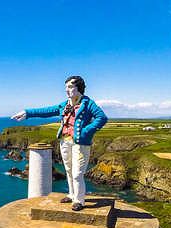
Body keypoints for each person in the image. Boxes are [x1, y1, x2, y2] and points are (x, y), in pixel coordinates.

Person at [11, 76, 107, 211]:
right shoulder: (65, 104)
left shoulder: (88, 103)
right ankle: (72, 194)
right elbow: (47, 111)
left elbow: (102, 118)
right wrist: (27, 113)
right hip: (65, 141)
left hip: (80, 143)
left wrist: (86, 131)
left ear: (78, 88)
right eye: (66, 88)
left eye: (70, 87)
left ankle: (79, 201)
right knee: (68, 170)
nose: (67, 90)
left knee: (77, 173)